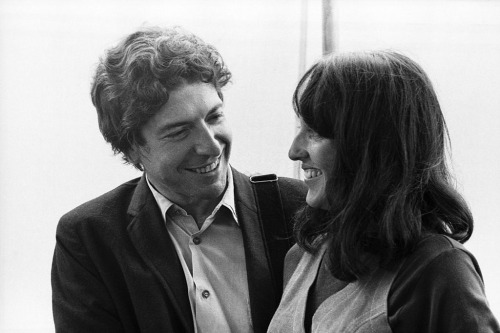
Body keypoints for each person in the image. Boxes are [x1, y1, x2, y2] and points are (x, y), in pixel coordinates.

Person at [51, 26, 307, 333]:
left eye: (214, 116)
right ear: (133, 149)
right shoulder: (88, 238)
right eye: (180, 131)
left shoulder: (299, 207)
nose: (211, 146)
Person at [268, 51, 500, 332]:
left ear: (370, 147)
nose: (293, 151)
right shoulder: (301, 258)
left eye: (315, 132)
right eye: (300, 128)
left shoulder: (438, 270)